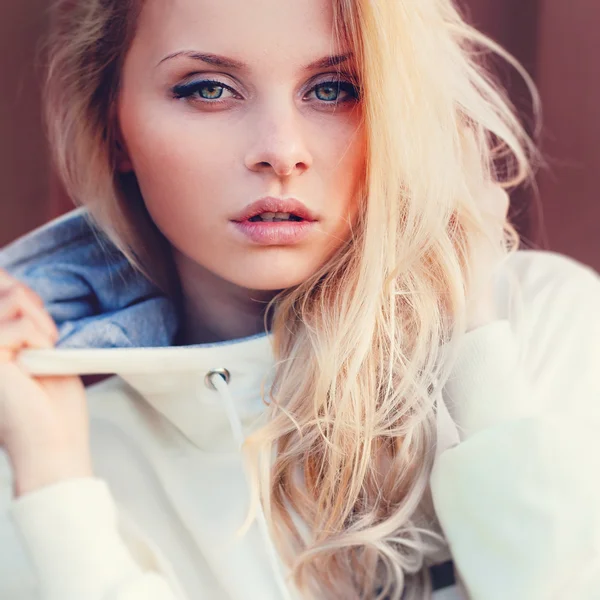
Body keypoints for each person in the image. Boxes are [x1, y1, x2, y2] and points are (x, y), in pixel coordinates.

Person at [0, 0, 598, 598]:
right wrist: (57, 492)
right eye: (209, 89)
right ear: (114, 124)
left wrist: (476, 354)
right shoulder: (53, 463)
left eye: (336, 88)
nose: (281, 152)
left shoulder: (538, 326)